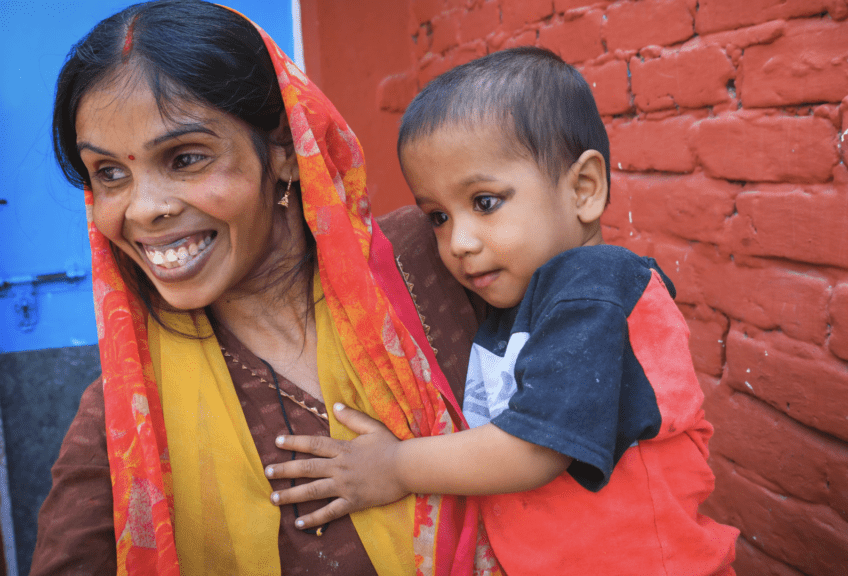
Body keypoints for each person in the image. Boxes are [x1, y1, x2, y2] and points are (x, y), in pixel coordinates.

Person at [32, 1, 502, 574]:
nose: (144, 208)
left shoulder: (441, 259)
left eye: (185, 158)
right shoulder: (123, 418)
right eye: (109, 174)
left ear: (282, 148)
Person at [267, 47, 739, 575]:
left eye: (485, 202)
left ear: (583, 189)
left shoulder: (596, 287)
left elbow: (534, 451)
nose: (459, 242)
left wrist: (395, 468)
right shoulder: (516, 304)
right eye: (439, 217)